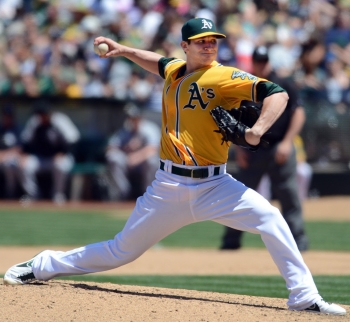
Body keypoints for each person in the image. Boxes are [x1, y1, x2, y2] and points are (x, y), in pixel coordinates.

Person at [4, 18, 346, 316]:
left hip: (216, 186)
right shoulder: (175, 69)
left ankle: (304, 297)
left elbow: (278, 94)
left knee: (271, 218)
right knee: (119, 251)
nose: (209, 45)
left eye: (213, 40)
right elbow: (158, 61)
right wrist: (123, 49)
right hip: (168, 188)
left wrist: (257, 131)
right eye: (201, 41)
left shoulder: (224, 77)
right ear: (186, 46)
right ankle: (42, 265)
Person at [221, 46, 309, 252]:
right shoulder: (245, 85)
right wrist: (239, 148)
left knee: (288, 194)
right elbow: (232, 119)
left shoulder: (283, 83)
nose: (261, 64)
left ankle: (298, 240)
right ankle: (230, 241)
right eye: (258, 61)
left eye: (264, 61)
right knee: (239, 195)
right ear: (253, 62)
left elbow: (299, 114)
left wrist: (288, 142)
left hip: (279, 147)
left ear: (268, 62)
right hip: (251, 151)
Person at [18, 101, 80, 204]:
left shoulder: (60, 120)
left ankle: (58, 195)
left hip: (62, 156)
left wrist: (62, 153)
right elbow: (26, 142)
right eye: (39, 114)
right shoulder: (35, 121)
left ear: (49, 113)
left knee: (60, 165)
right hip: (41, 158)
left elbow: (74, 140)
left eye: (43, 113)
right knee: (24, 165)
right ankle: (33, 195)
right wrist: (24, 155)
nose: (41, 116)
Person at [105, 103, 160, 200]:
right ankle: (123, 194)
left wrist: (136, 156)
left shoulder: (149, 128)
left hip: (143, 163)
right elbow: (110, 147)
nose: (133, 119)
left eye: (134, 116)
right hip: (128, 161)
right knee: (113, 157)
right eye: (130, 117)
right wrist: (126, 148)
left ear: (140, 116)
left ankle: (150, 193)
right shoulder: (125, 130)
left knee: (152, 160)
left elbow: (152, 149)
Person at [0, 105, 21, 199]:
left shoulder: (17, 129)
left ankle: (11, 194)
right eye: (6, 116)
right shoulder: (1, 130)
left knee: (9, 164)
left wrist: (5, 155)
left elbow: (19, 148)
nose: (7, 118)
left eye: (9, 116)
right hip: (1, 159)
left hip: (13, 159)